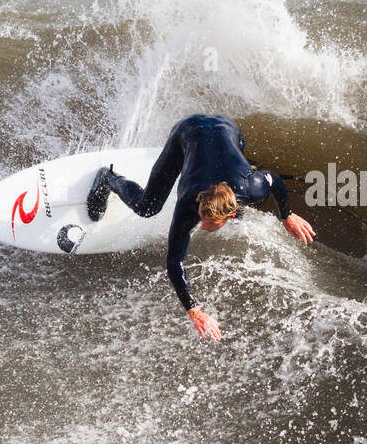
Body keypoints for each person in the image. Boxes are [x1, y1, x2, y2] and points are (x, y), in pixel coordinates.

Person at [86, 114, 316, 341]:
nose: (203, 226)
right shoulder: (190, 203)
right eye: (202, 218)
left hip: (229, 129)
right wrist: (194, 310)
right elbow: (174, 261)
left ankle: (242, 176)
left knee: (240, 215)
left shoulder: (253, 187)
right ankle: (109, 178)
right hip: (188, 132)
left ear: (230, 210)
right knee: (148, 207)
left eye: (210, 222)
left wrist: (287, 216)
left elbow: (273, 180)